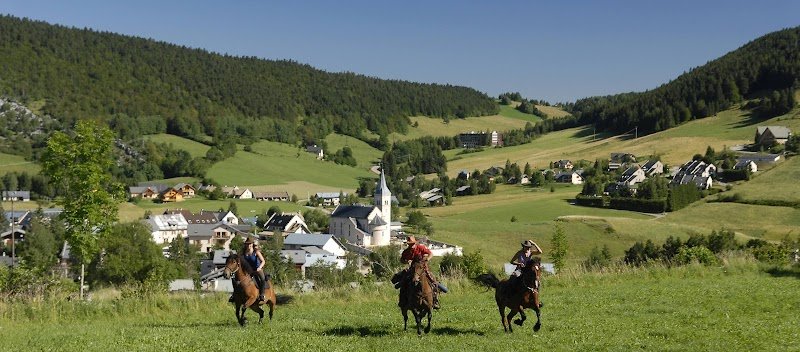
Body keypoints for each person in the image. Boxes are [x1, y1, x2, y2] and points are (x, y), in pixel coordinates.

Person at [400, 236, 446, 309]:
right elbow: (401, 260)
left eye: (412, 244)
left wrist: (427, 259)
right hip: (412, 270)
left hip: (423, 269)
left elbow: (430, 254)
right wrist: (406, 261)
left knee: (433, 281)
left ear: (415, 243)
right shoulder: (406, 251)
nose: (411, 245)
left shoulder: (421, 248)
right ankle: (403, 301)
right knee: (404, 283)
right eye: (410, 244)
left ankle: (435, 300)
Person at [241, 237, 268, 303]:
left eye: (250, 244)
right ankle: (235, 295)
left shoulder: (256, 252)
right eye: (247, 244)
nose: (248, 245)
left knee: (262, 279)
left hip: (257, 269)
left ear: (252, 244)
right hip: (249, 271)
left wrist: (260, 268)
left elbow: (263, 261)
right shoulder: (244, 253)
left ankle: (262, 295)